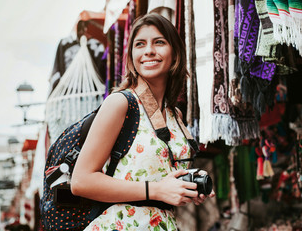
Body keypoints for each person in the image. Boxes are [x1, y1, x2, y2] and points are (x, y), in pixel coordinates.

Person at [70, 13, 215, 231]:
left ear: (175, 54)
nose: (148, 50)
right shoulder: (120, 103)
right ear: (131, 58)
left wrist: (190, 184)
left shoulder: (175, 116)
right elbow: (81, 181)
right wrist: (156, 190)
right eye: (140, 44)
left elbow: (162, 181)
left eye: (159, 42)